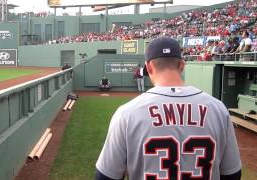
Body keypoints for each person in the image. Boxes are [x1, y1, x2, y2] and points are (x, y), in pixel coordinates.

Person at [96, 37, 241, 180]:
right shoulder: (218, 109)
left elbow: (106, 176)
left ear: (148, 67)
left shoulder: (126, 114)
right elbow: (232, 174)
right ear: (182, 66)